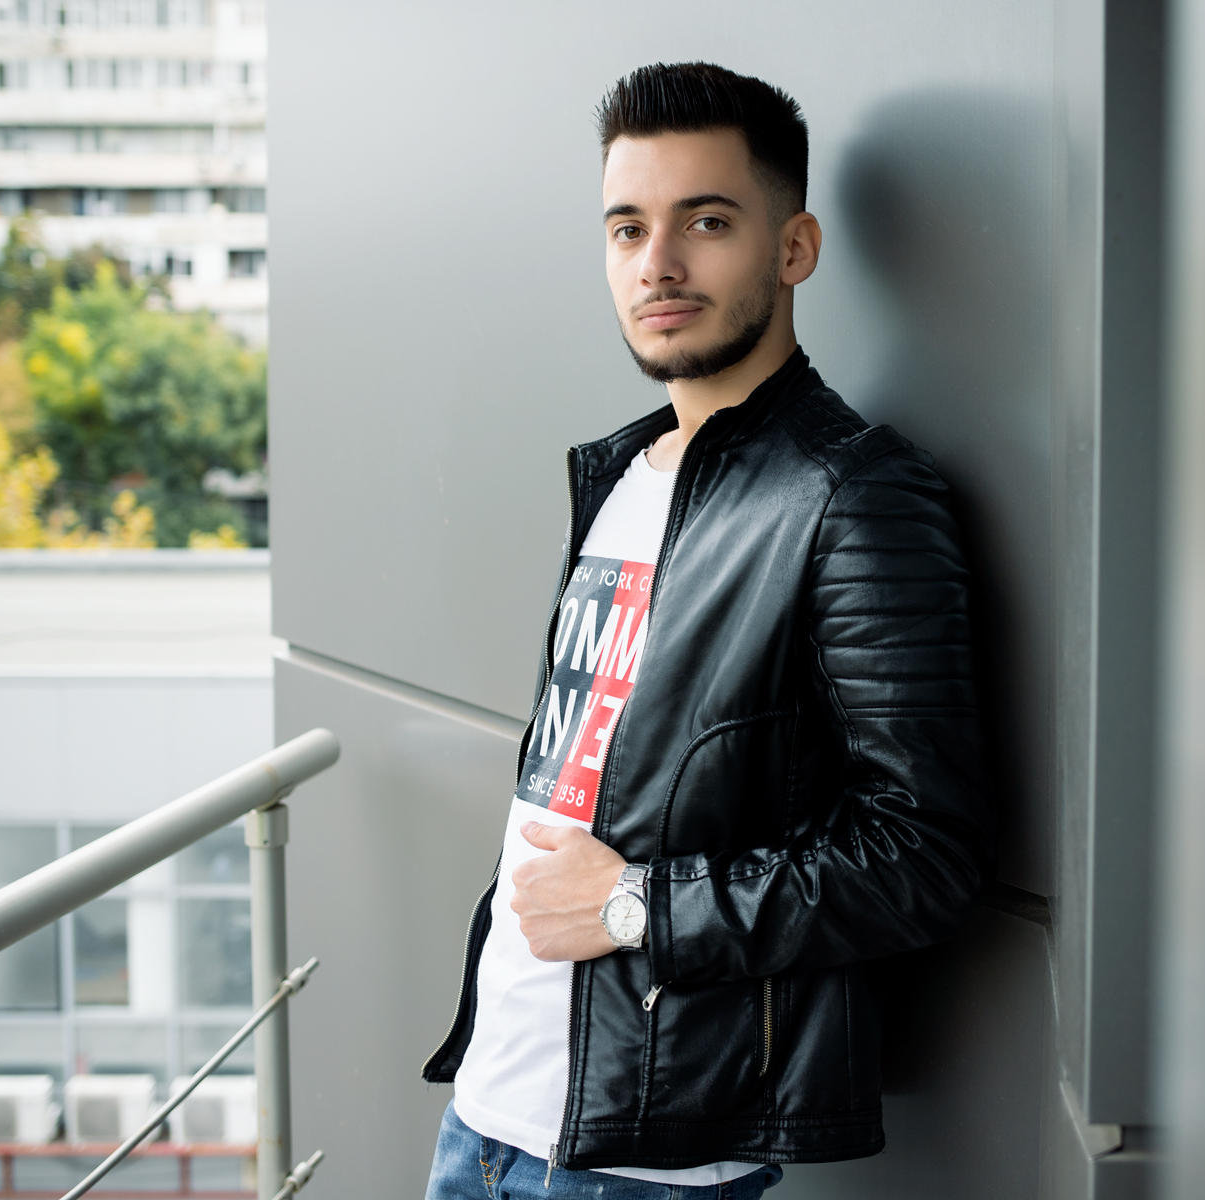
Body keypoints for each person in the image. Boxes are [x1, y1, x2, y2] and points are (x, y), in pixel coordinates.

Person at [422, 61, 993, 1199]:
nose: (658, 263)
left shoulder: (852, 496)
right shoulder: (620, 477)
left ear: (794, 248)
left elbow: (923, 854)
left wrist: (635, 905)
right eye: (628, 228)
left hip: (648, 1159)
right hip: (488, 1110)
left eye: (708, 222)